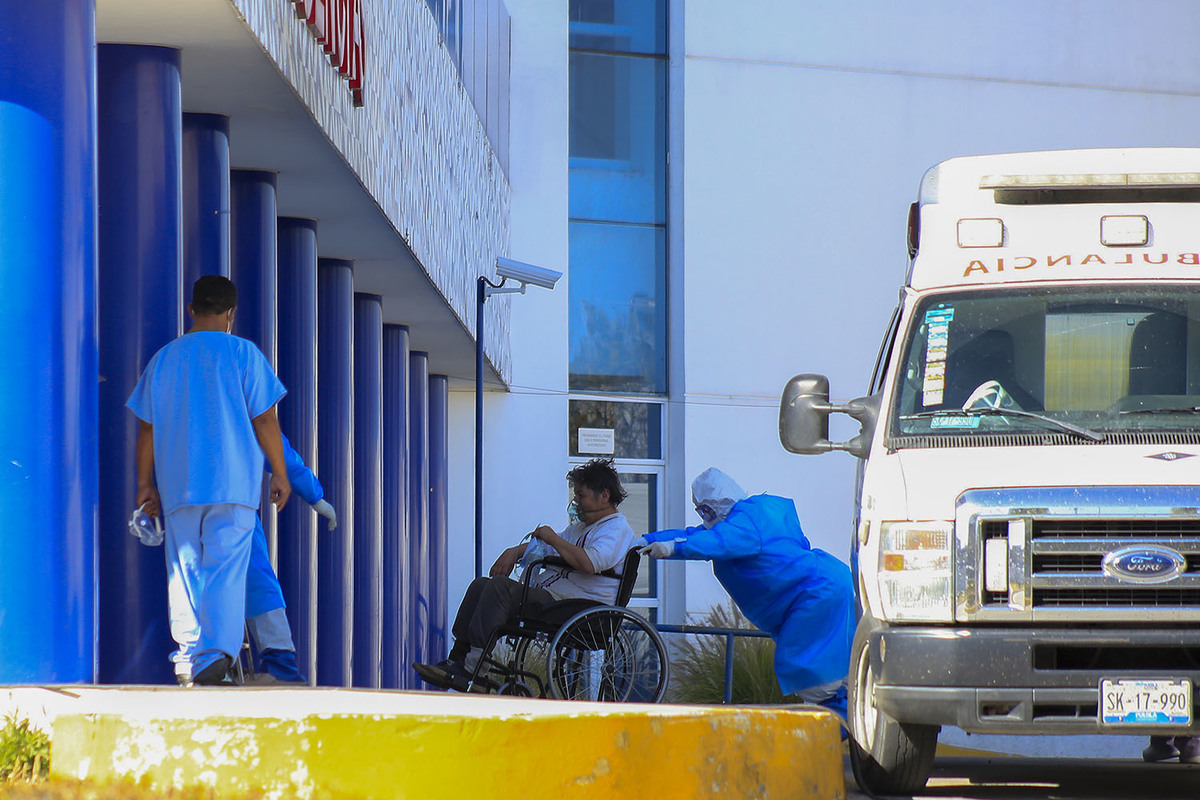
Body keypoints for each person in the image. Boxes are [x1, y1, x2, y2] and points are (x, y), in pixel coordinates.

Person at [127, 275, 290, 687]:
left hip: (179, 483)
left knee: (183, 568)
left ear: (191, 309)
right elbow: (265, 419)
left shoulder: (164, 359)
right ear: (231, 314)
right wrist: (280, 473)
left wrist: (145, 484)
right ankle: (216, 653)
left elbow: (146, 430)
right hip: (234, 485)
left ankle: (188, 654)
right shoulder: (245, 355)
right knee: (226, 569)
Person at [638, 467, 854, 717]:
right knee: (835, 674)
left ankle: (838, 729)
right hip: (823, 588)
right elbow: (697, 535)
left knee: (814, 677)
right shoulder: (751, 516)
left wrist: (672, 548)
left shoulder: (747, 523)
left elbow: (719, 541)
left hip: (815, 596)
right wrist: (649, 539)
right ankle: (848, 726)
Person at [413, 457, 636, 692]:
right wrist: (513, 552)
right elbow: (549, 549)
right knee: (481, 585)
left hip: (579, 608)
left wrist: (552, 537)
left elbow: (588, 563)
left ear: (604, 496)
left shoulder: (616, 530)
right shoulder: (581, 529)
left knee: (500, 588)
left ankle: (474, 670)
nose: (575, 502)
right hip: (555, 599)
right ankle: (457, 659)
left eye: (581, 496)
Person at [243, 432, 338, 684]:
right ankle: (278, 659)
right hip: (231, 499)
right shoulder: (240, 394)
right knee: (253, 574)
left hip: (185, 500)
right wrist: (313, 494)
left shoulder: (172, 393)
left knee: (199, 578)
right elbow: (267, 431)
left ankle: (209, 660)